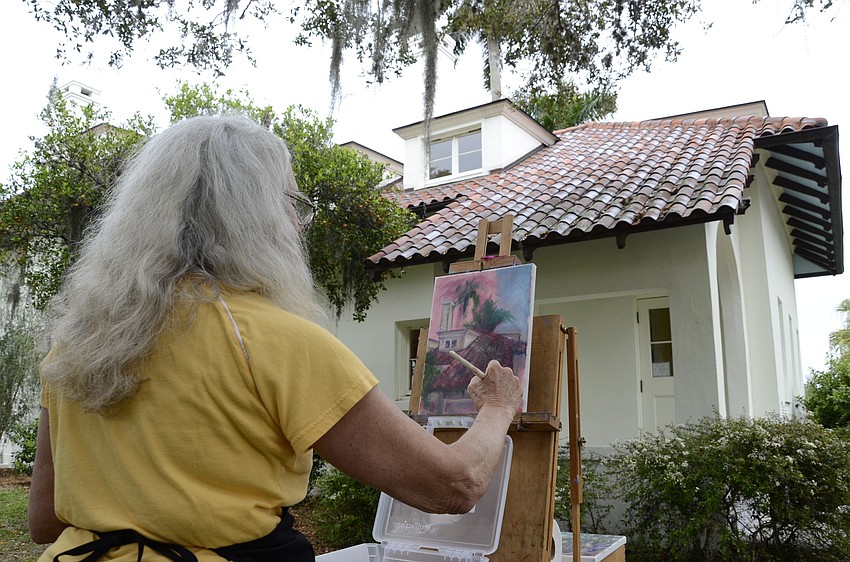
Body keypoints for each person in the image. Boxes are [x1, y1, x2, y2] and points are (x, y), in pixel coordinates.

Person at [27, 114, 523, 562]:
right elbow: (454, 485)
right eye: (293, 205)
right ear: (257, 217)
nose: (297, 225)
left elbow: (45, 522)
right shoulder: (274, 340)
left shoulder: (77, 345)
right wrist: (499, 407)